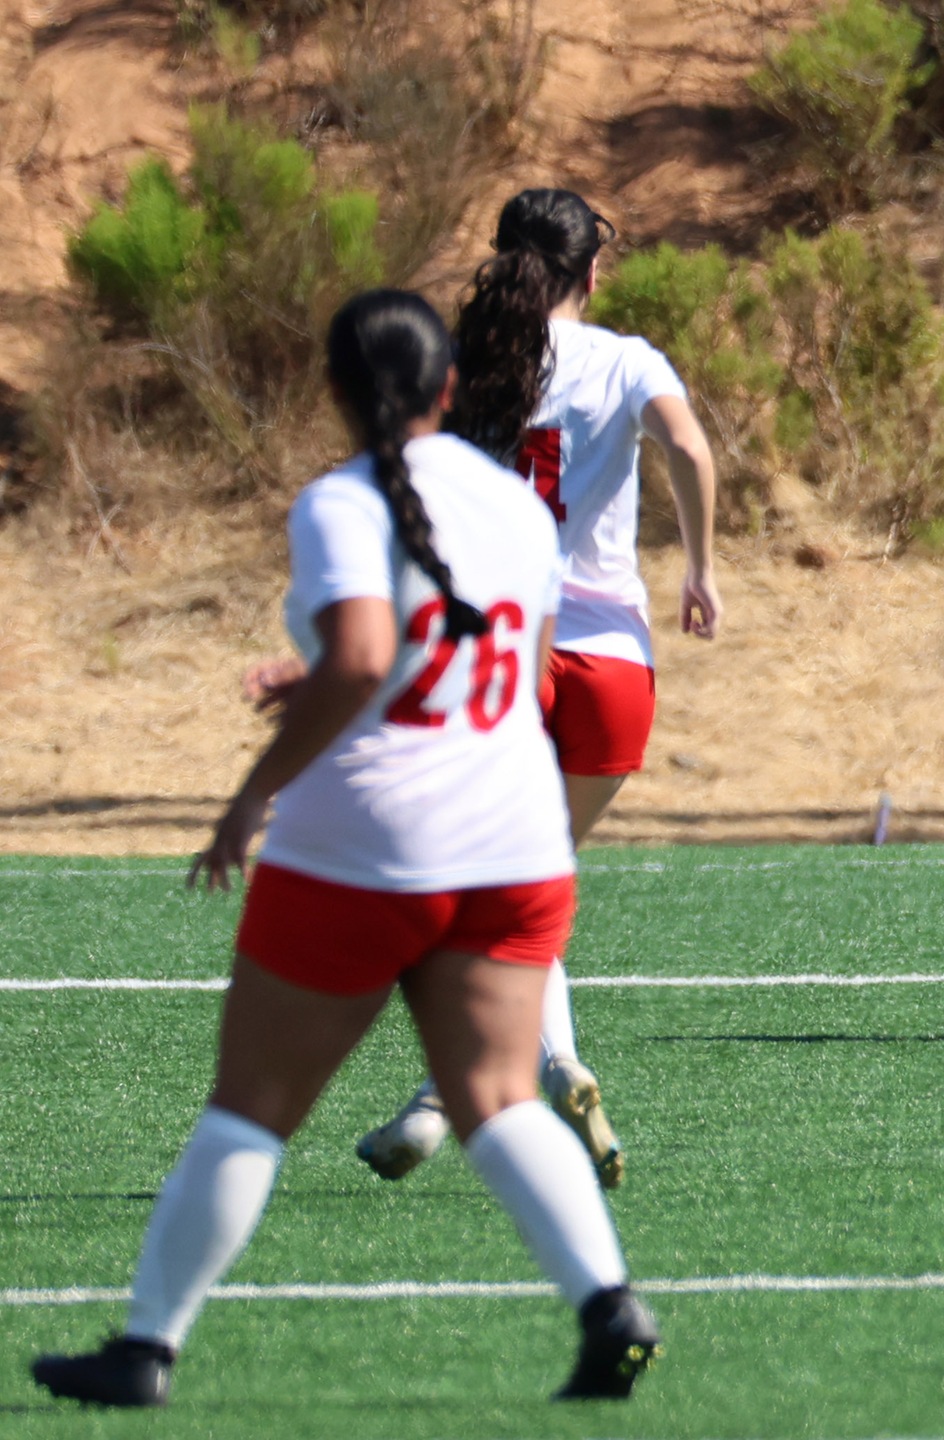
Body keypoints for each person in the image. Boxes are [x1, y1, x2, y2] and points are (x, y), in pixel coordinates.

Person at [30, 291, 658, 1408]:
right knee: (500, 1099)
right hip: (512, 837)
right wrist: (320, 676)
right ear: (448, 388)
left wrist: (249, 796)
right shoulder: (514, 504)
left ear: (336, 392)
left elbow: (368, 656)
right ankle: (610, 1303)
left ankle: (144, 1351)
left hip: (371, 838)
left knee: (251, 1110)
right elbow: (509, 664)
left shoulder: (339, 499)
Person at [356, 188, 721, 1187]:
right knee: (522, 880)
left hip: (508, 655)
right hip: (612, 668)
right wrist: (699, 567)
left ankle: (530, 1070)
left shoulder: (462, 361)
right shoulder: (629, 360)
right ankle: (479, 1087)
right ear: (590, 274)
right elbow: (689, 448)